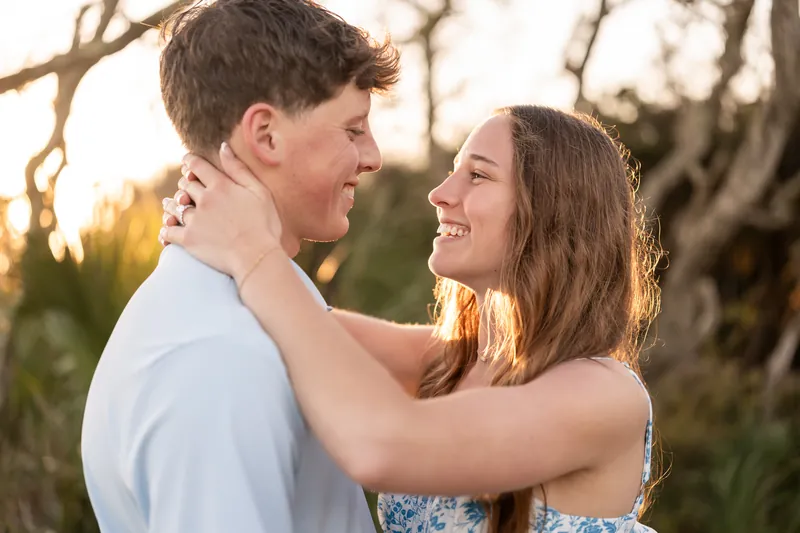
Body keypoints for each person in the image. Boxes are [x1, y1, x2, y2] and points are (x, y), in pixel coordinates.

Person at [160, 105, 662, 533]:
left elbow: (379, 447)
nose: (440, 193)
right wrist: (219, 223)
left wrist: (250, 251)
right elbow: (300, 323)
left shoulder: (604, 395)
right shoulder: (452, 361)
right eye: (453, 170)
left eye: (478, 175)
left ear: (554, 210)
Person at [80, 0, 400, 531]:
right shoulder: (216, 355)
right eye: (353, 129)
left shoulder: (266, 292)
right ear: (266, 135)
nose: (373, 157)